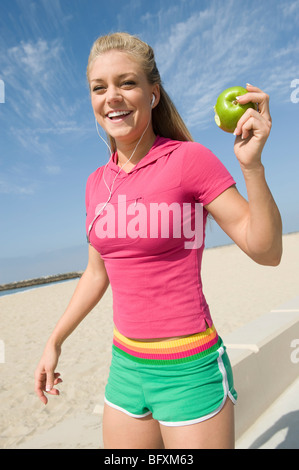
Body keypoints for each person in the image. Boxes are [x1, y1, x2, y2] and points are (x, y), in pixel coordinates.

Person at [34, 32, 282, 449]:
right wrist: (54, 341)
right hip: (126, 369)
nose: (112, 96)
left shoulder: (189, 160)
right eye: (100, 88)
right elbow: (97, 274)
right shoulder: (96, 184)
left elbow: (267, 251)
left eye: (126, 83)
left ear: (153, 94)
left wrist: (252, 166)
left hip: (189, 370)